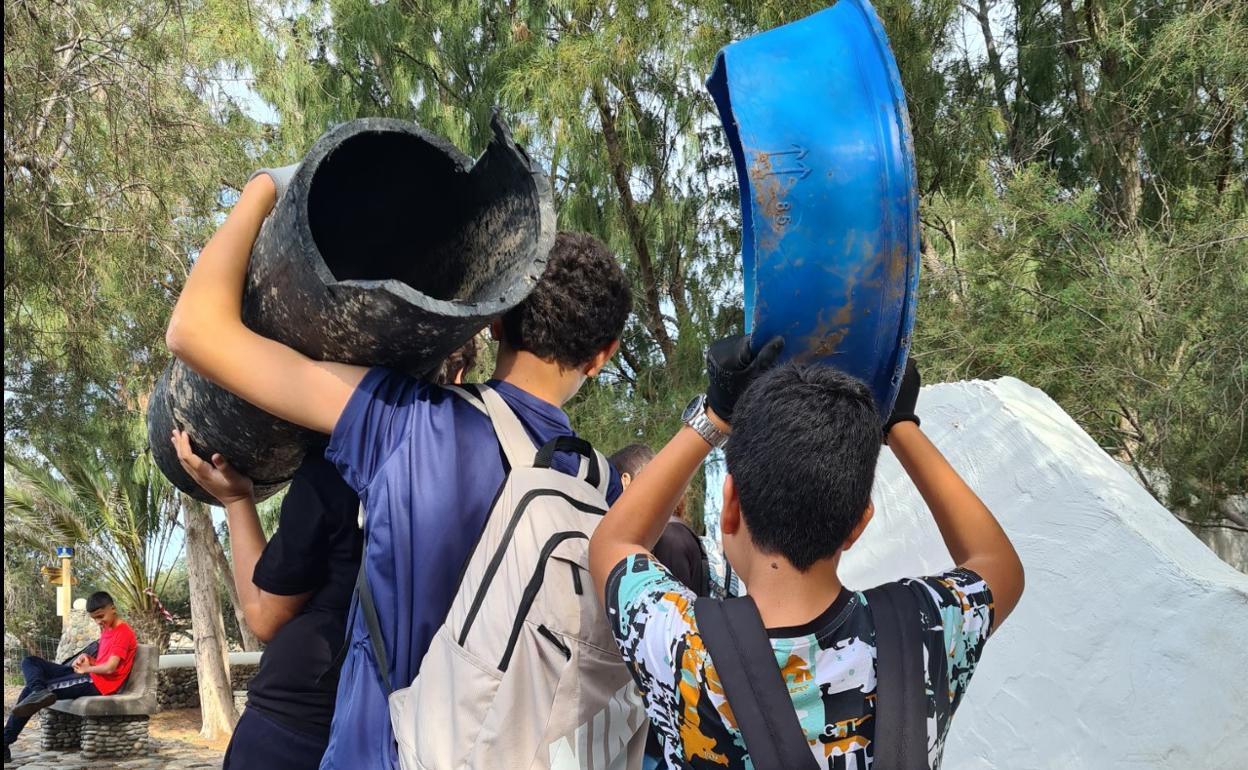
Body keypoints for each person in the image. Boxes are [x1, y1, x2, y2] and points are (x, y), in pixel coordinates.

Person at [164, 171, 632, 767]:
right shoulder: (605, 491)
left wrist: (264, 188)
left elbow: (195, 331)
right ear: (604, 354)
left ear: (494, 320)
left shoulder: (406, 424)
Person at [589, 338, 1026, 769]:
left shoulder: (681, 647)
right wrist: (901, 425)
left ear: (731, 505)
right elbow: (997, 563)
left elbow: (613, 542)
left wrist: (714, 417)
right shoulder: (929, 630)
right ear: (859, 523)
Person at [169, 341, 481, 770]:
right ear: (458, 375)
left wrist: (238, 501)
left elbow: (264, 617)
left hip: (300, 723)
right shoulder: (499, 470)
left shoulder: (338, 469)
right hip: (419, 730)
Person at [3, 592, 138, 763]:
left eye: (100, 616)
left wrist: (89, 668)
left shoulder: (123, 633)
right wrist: (87, 659)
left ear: (113, 608)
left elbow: (111, 668)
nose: (98, 621)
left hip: (99, 683)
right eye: (94, 618)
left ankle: (6, 740)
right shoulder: (106, 628)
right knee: (30, 661)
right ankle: (39, 690)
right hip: (91, 674)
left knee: (32, 691)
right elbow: (103, 661)